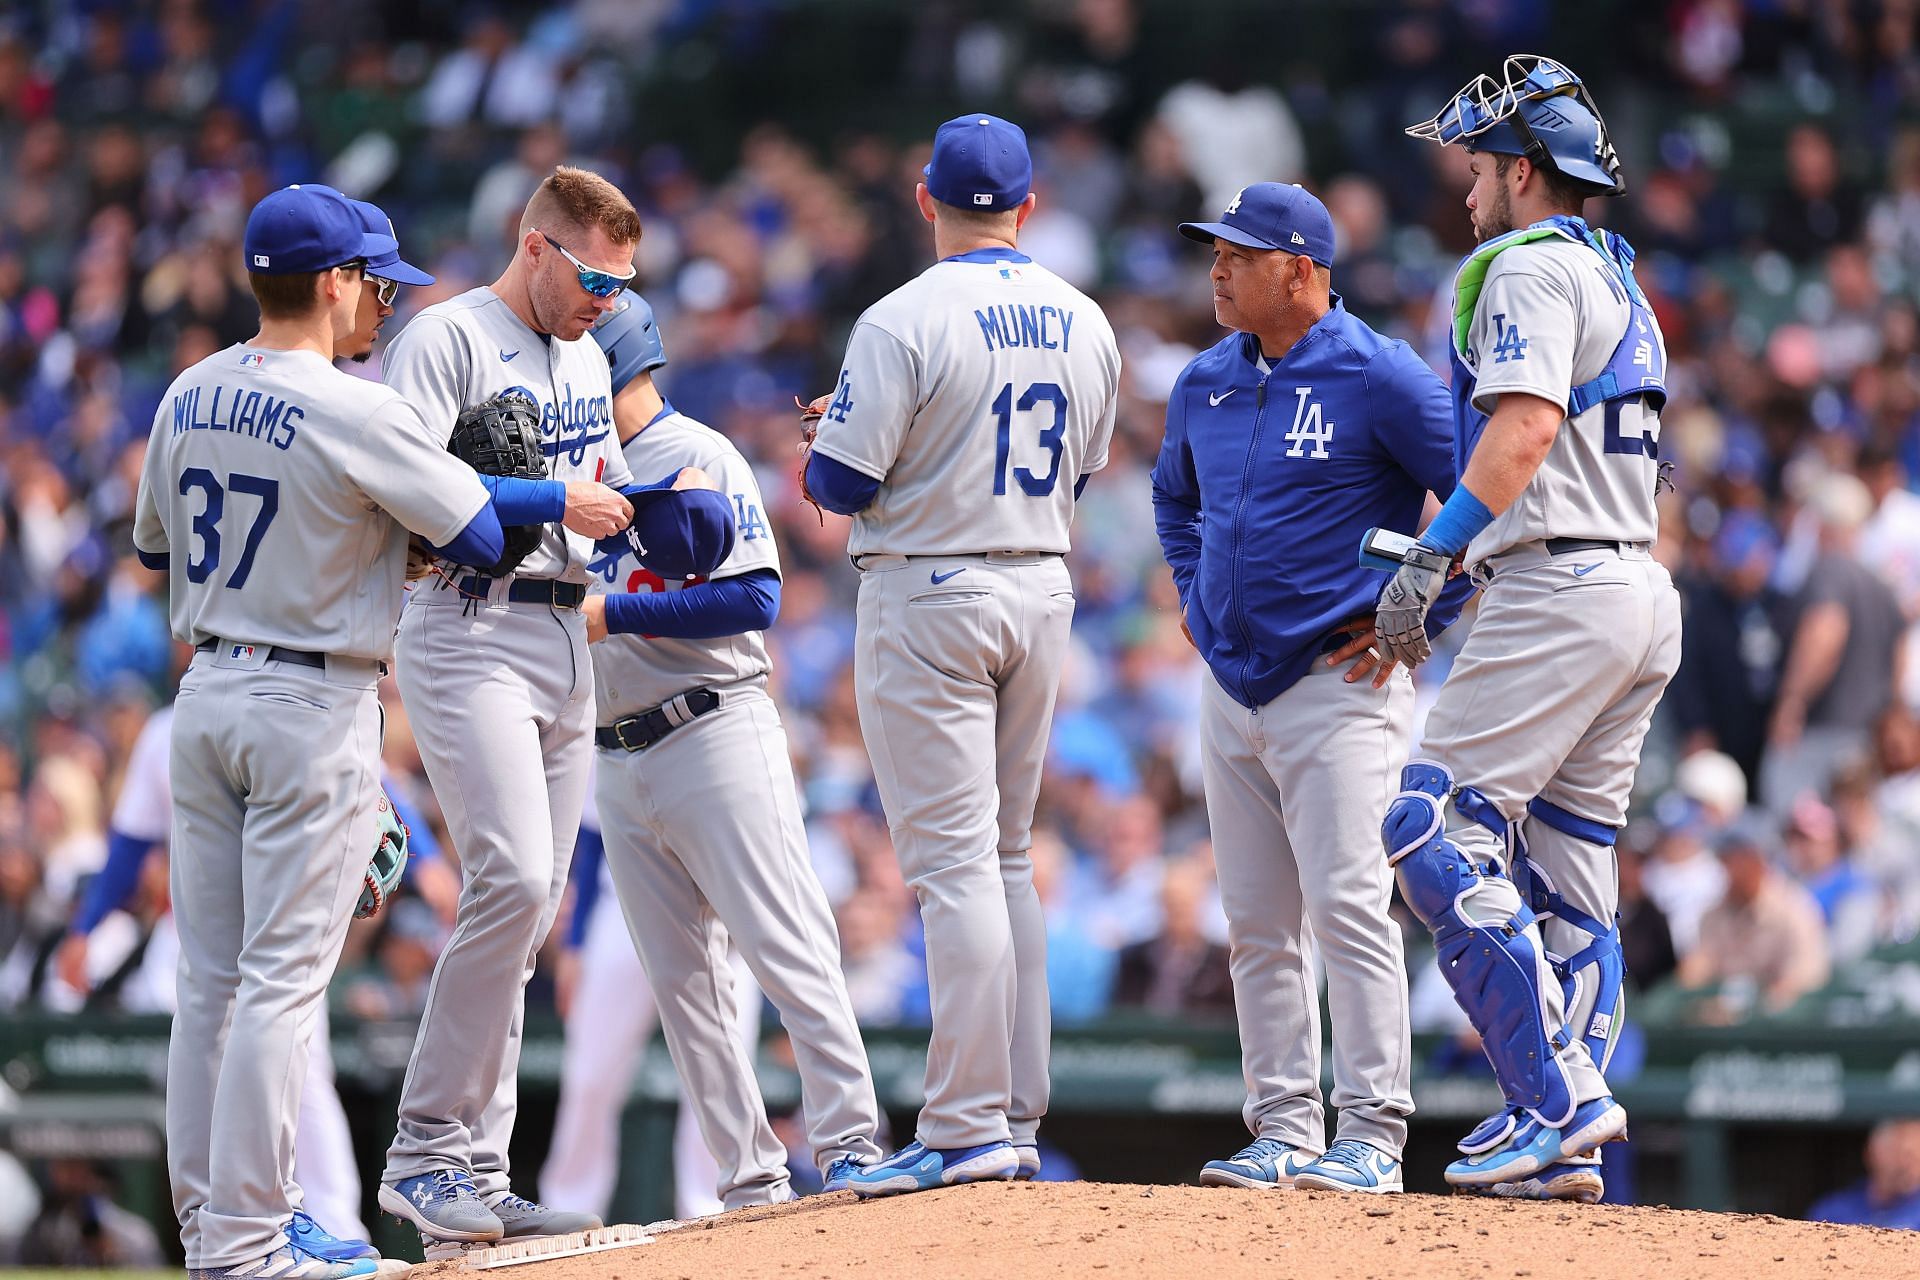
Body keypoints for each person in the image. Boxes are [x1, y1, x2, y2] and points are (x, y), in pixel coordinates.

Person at [133, 183, 501, 1280]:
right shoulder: (357, 402)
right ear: (333, 281)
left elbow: (158, 551)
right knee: (280, 986)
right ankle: (252, 1239)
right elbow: (477, 532)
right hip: (309, 701)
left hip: (204, 695)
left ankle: (214, 1232)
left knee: (210, 984)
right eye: (375, 282)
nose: (384, 304)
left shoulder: (187, 389)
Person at [375, 166, 736, 1251]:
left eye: (624, 283)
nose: (608, 299)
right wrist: (544, 497)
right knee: (515, 877)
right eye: (592, 274)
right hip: (467, 619)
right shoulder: (444, 339)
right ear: (535, 244)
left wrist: (658, 517)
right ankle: (426, 1147)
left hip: (566, 623)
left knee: (529, 914)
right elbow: (399, 490)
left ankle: (479, 1169)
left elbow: (599, 496)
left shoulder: (586, 353)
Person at [800, 113, 1120, 1197]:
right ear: (1028, 207)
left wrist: (846, 439)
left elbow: (837, 488)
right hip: (1040, 585)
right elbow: (1078, 474)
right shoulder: (1086, 318)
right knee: (1005, 855)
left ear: (928, 198)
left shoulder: (901, 314)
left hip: (930, 587)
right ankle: (1014, 1110)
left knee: (949, 867)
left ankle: (967, 1120)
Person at [1380, 55, 1682, 1202]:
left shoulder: (1527, 266)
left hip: (1560, 585)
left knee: (1430, 824)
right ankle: (1564, 1132)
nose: (1465, 193)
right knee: (1566, 870)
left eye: (1475, 167)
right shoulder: (1617, 275)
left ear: (1520, 168)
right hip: (1632, 587)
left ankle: (1554, 1098)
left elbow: (1521, 432)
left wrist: (1434, 548)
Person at [1152, 180, 1470, 1196]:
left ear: (1300, 268)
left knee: (1347, 906)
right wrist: (1196, 596)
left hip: (1339, 681)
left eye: (1238, 255)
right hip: (1231, 679)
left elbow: (1479, 505)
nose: (1218, 268)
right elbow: (1174, 499)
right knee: (1254, 920)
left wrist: (1419, 615)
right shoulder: (1205, 377)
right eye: (1215, 251)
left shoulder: (1380, 374)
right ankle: (1284, 1122)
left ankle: (1371, 1129)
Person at [576, 293, 884, 1208]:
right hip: (616, 754)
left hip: (712, 726)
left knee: (788, 946)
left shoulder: (698, 453)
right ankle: (747, 1181)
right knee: (686, 987)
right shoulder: (574, 471)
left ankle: (853, 1149)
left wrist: (613, 611)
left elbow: (754, 599)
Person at [1809, 1119, 1920, 1230]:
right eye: (1898, 1153)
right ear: (1871, 1153)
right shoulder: (1834, 1210)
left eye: (1913, 1156)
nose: (1905, 1164)